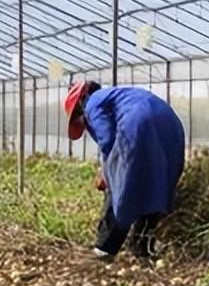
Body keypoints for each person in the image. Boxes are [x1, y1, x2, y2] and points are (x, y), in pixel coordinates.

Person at [64, 80, 185, 260]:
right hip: (171, 124)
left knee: (120, 185)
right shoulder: (119, 95)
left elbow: (107, 139)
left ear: (80, 106)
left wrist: (107, 173)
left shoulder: (92, 103)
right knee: (157, 183)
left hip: (137, 123)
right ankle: (142, 248)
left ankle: (105, 248)